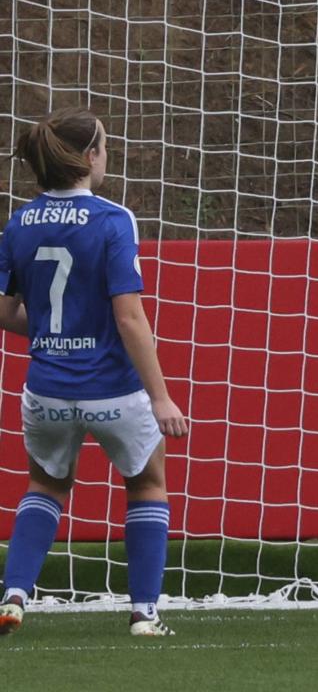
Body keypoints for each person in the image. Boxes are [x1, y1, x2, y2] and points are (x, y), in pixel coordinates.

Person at [0, 108, 189, 637]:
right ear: (88, 158)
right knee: (148, 484)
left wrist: (49, 337)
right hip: (113, 389)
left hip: (47, 391)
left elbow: (2, 310)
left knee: (44, 485)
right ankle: (144, 614)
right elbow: (129, 316)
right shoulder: (112, 218)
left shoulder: (18, 223)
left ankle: (14, 593)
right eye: (104, 147)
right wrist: (161, 397)